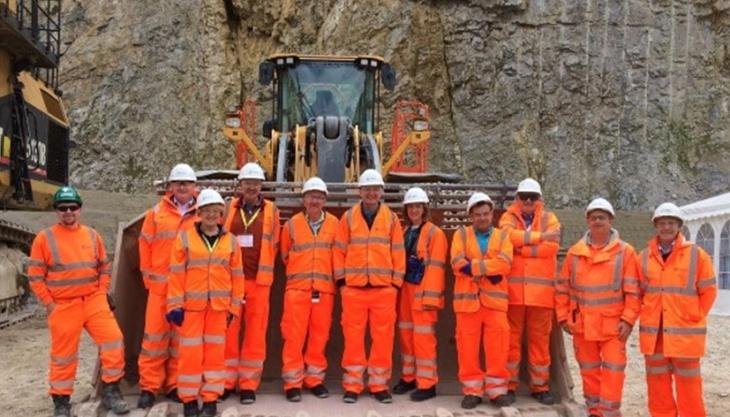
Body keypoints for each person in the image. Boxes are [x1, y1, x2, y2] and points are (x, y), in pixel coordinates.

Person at [28, 186, 129, 417]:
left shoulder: (92, 235)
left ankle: (112, 391)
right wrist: (49, 304)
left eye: (73, 207)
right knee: (64, 356)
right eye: (63, 208)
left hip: (94, 301)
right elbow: (35, 276)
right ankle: (61, 402)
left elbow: (104, 267)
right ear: (56, 211)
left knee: (114, 341)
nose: (68, 212)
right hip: (63, 305)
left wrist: (102, 292)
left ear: (80, 209)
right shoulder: (45, 238)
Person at [556, 198, 640, 417]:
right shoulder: (575, 253)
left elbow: (633, 291)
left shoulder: (625, 252)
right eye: (593, 217)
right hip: (582, 325)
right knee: (588, 369)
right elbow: (563, 287)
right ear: (587, 221)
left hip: (614, 326)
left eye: (602, 217)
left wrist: (629, 319)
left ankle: (610, 412)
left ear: (610, 220)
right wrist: (563, 317)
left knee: (613, 371)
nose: (597, 221)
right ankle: (594, 410)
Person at [166, 189, 244, 417]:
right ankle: (189, 399)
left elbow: (237, 277)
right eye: (206, 211)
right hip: (191, 308)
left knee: (215, 355)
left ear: (221, 213)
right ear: (198, 213)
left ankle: (211, 399)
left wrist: (234, 307)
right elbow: (176, 274)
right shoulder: (185, 239)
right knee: (190, 354)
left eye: (215, 211)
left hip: (219, 309)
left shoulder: (231, 241)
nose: (211, 215)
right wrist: (175, 305)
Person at [637, 203, 717, 417]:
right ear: (656, 226)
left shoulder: (697, 255)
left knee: (689, 387)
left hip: (685, 335)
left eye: (671, 223)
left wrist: (694, 316)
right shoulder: (643, 257)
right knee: (658, 387)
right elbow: (637, 293)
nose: (666, 227)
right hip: (655, 335)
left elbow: (708, 291)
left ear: (679, 226)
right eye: (662, 223)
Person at [333, 169, 406, 404]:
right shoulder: (348, 218)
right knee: (353, 339)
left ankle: (378, 384)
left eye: (375, 189)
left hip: (383, 290)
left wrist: (395, 284)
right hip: (353, 289)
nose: (371, 193)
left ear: (381, 192)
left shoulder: (391, 219)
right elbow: (339, 250)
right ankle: (353, 385)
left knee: (383, 340)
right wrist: (342, 283)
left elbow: (398, 252)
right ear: (360, 192)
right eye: (367, 189)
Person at [137, 163, 198, 408]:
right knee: (154, 338)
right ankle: (149, 387)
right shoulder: (156, 213)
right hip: (160, 288)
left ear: (195, 187)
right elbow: (144, 246)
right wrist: (148, 278)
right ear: (170, 186)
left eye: (187, 183)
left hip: (186, 289)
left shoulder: (202, 213)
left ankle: (174, 384)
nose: (182, 186)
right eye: (178, 182)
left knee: (181, 341)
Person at [222, 162, 280, 404]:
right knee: (228, 333)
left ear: (261, 186)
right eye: (247, 183)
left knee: (255, 335)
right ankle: (225, 382)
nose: (252, 187)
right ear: (240, 185)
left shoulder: (272, 211)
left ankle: (248, 385)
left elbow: (276, 244)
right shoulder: (227, 209)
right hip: (231, 282)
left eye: (256, 183)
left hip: (259, 281)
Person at [499, 178, 560, 404]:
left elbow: (553, 247)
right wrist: (539, 238)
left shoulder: (549, 218)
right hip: (514, 294)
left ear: (539, 199)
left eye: (532, 197)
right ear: (516, 198)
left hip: (541, 296)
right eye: (524, 196)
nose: (527, 201)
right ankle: (509, 385)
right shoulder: (507, 217)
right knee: (510, 341)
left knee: (539, 342)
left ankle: (540, 386)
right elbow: (506, 237)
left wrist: (521, 251)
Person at [450, 192, 514, 409]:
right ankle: (472, 391)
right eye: (477, 214)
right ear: (471, 215)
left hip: (495, 305)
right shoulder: (460, 235)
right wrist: (488, 269)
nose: (482, 218)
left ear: (492, 214)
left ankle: (497, 392)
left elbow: (505, 264)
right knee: (467, 349)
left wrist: (474, 268)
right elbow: (457, 262)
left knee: (498, 349)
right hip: (467, 305)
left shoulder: (503, 236)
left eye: (486, 214)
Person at [279, 177, 337, 402]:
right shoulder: (292, 224)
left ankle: (314, 380)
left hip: (324, 289)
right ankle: (292, 383)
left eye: (319, 196)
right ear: (303, 199)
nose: (315, 200)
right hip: (297, 289)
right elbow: (285, 255)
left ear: (325, 200)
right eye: (311, 196)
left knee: (319, 336)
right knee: (293, 336)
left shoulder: (334, 224)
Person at [391, 187, 447, 402]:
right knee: (406, 337)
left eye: (418, 206)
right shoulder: (405, 232)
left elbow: (436, 268)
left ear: (425, 209)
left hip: (424, 293)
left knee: (423, 339)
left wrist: (429, 299)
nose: (414, 210)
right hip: (406, 290)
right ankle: (409, 377)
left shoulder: (435, 233)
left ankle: (427, 384)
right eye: (411, 206)